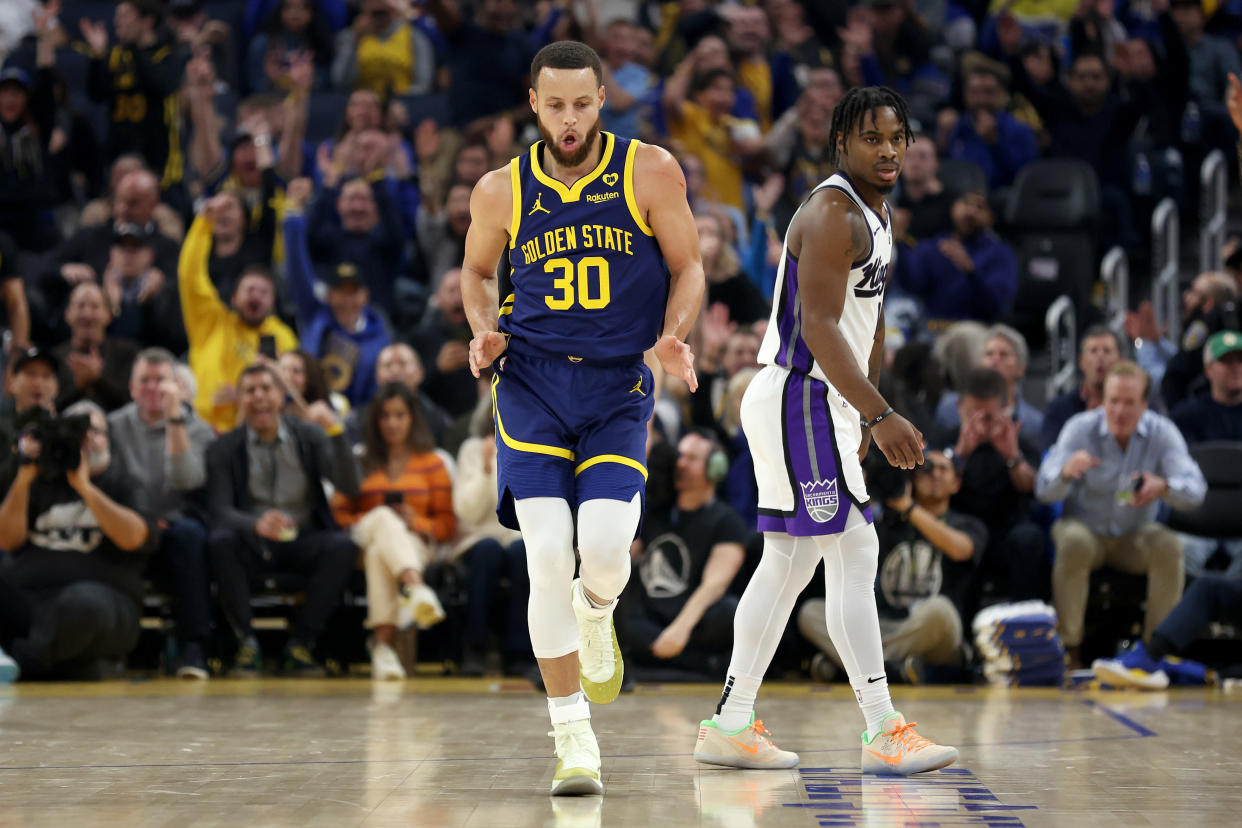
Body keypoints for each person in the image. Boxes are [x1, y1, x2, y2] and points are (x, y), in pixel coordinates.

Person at [459, 41, 704, 795]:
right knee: (545, 557)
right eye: (555, 105)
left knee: (601, 554)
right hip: (530, 385)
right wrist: (481, 329)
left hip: (616, 388)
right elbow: (475, 273)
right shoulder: (501, 188)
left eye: (582, 103)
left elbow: (689, 265)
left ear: (603, 99)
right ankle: (574, 739)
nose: (569, 119)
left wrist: (675, 336)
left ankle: (598, 612)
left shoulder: (651, 169)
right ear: (534, 104)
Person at [692, 87, 957, 776]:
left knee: (789, 564)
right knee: (854, 553)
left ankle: (730, 721)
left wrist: (863, 409)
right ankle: (882, 728)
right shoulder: (834, 211)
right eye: (873, 137)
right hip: (800, 397)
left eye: (898, 136)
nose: (890, 148)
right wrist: (877, 412)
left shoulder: (879, 210)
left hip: (822, 404)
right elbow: (816, 327)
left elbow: (862, 325)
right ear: (843, 142)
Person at [1036, 361, 1207, 667]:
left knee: (1169, 545)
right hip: (1085, 531)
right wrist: (1064, 472)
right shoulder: (1079, 428)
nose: (1120, 411)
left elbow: (1196, 490)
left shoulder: (1162, 432)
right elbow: (1042, 489)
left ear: (1144, 405)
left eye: (1129, 403)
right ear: (1103, 401)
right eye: (1113, 401)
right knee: (1073, 541)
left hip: (1134, 536)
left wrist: (1164, 486)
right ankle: (1069, 651)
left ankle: (1155, 653)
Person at [204, 363, 362, 675]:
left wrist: (337, 433)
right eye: (250, 391)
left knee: (342, 546)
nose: (259, 396)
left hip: (302, 537)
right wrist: (255, 523)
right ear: (240, 399)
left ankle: (302, 643)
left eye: (266, 388)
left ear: (282, 396)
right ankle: (246, 643)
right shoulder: (224, 446)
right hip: (251, 541)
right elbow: (218, 510)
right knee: (220, 541)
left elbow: (351, 486)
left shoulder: (310, 436)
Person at [798, 450, 985, 683]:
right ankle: (895, 669)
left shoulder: (967, 523)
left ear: (956, 483)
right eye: (926, 469)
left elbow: (960, 550)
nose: (934, 473)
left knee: (941, 611)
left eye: (943, 469)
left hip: (931, 632)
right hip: (882, 626)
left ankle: (854, 666)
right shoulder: (886, 522)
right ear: (913, 479)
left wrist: (909, 507)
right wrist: (860, 500)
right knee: (811, 612)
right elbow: (836, 546)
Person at [0, 400, 154, 680]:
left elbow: (133, 537)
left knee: (82, 604)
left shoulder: (126, 484)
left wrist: (84, 487)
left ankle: (23, 662)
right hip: (32, 604)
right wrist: (22, 478)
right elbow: (6, 541)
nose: (86, 440)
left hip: (104, 607)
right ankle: (64, 664)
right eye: (75, 432)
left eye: (93, 431)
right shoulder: (37, 482)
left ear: (108, 439)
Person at [107, 348, 216, 678]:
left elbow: (186, 480)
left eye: (161, 381)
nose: (153, 388)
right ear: (131, 387)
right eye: (145, 380)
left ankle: (193, 648)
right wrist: (141, 520)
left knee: (190, 536)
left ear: (177, 387)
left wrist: (174, 420)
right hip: (130, 524)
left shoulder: (199, 430)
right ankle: (111, 647)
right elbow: (110, 485)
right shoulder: (113, 425)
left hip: (177, 526)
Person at [331, 383, 451, 681]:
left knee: (378, 554)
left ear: (412, 418)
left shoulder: (433, 463)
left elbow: (447, 527)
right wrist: (371, 518)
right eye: (385, 416)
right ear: (375, 421)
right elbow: (338, 513)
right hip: (364, 535)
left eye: (399, 415)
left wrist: (414, 522)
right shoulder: (361, 460)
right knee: (383, 518)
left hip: (416, 544)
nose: (392, 423)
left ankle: (382, 647)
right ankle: (417, 588)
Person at [621, 431, 748, 676]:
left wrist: (680, 629)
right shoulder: (656, 511)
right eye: (680, 456)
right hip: (652, 619)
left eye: (691, 458)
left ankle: (662, 659)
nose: (681, 464)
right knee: (617, 612)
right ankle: (699, 664)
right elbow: (624, 557)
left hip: (693, 621)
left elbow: (715, 585)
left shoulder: (726, 521)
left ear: (715, 469)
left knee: (730, 612)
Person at [179, 196, 299, 433]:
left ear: (273, 303)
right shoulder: (211, 321)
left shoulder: (282, 336)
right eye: (250, 290)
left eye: (264, 292)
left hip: (257, 430)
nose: (256, 296)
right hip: (203, 428)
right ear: (234, 298)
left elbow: (294, 388)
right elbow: (190, 276)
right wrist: (204, 224)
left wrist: (243, 394)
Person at [284, 179, 392, 408]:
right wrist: (293, 217)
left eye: (352, 292)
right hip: (311, 409)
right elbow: (296, 270)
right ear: (329, 295)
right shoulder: (315, 315)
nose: (346, 299)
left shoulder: (380, 333)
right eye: (340, 291)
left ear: (364, 296)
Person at [81, 0, 188, 202]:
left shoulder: (166, 53)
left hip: (159, 162)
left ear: (147, 21)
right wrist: (97, 56)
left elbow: (161, 86)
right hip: (119, 157)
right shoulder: (116, 56)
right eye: (117, 16)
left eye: (125, 15)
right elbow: (96, 95)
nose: (117, 21)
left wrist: (133, 47)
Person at [897, 189, 1018, 325]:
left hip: (976, 330)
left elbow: (997, 306)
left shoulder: (1000, 253)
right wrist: (900, 242)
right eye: (966, 203)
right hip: (932, 329)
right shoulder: (935, 246)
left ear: (991, 218)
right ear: (953, 208)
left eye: (980, 207)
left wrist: (970, 271)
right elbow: (912, 286)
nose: (971, 211)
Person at [52, 282, 139, 414]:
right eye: (80, 306)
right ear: (67, 315)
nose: (87, 314)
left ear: (108, 315)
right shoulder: (54, 359)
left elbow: (134, 406)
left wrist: (98, 380)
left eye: (95, 306)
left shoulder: (128, 354)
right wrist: (79, 386)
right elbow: (52, 409)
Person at [1040, 325, 1125, 452]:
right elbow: (1048, 459)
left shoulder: (1137, 407)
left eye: (1107, 351)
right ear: (1081, 361)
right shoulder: (1058, 409)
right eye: (1093, 351)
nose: (1100, 357)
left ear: (1121, 360)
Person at [1171, 330, 1242, 445]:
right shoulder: (1187, 417)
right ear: (1208, 369)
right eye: (1226, 360)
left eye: (1240, 360)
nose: (1236, 368)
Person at [0, 347, 58, 467]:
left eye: (46, 376)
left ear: (56, 387)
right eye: (30, 374)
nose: (38, 382)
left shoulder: (66, 431)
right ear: (11, 383)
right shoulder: (2, 429)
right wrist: (21, 454)